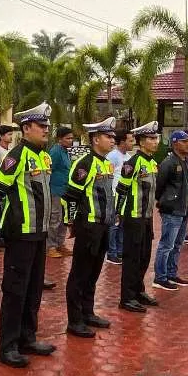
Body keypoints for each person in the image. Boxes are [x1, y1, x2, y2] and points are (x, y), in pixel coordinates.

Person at [0, 102, 57, 367]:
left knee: (33, 290)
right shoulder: (16, 156)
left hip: (40, 234)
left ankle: (28, 338)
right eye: (41, 126)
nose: (46, 131)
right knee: (15, 291)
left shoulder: (43, 155)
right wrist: (7, 225)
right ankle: (7, 347)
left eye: (47, 126)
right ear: (26, 128)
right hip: (21, 235)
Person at [63, 117, 117, 338]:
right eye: (108, 137)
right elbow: (71, 196)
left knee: (94, 272)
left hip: (104, 226)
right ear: (96, 139)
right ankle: (74, 321)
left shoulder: (106, 163)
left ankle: (88, 312)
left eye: (113, 137)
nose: (113, 140)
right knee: (80, 273)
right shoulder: (84, 163)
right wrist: (72, 223)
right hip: (88, 226)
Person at [115, 121, 161, 312]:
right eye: (151, 138)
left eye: (156, 138)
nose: (155, 142)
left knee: (144, 256)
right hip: (133, 216)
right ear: (141, 142)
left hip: (147, 216)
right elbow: (121, 189)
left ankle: (138, 290)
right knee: (132, 258)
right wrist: (119, 215)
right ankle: (127, 297)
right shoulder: (132, 163)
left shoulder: (152, 163)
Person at [152, 130, 188, 291]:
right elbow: (160, 185)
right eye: (184, 141)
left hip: (183, 208)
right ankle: (160, 277)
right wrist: (165, 202)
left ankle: (171, 273)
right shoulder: (169, 162)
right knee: (166, 245)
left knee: (178, 244)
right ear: (175, 143)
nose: (187, 144)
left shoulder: (186, 161)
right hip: (171, 209)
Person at [105, 129, 132, 265]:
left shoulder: (128, 157)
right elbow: (109, 176)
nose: (132, 143)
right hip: (115, 194)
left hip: (125, 195)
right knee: (114, 225)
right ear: (122, 142)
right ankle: (111, 252)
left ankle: (120, 250)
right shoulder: (112, 156)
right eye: (130, 140)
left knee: (122, 225)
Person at [46, 126, 74, 258]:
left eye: (72, 138)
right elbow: (49, 170)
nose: (71, 141)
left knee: (64, 218)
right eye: (68, 138)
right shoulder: (55, 152)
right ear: (60, 139)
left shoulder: (66, 151)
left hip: (65, 191)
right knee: (55, 218)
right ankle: (50, 246)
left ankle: (60, 244)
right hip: (56, 190)